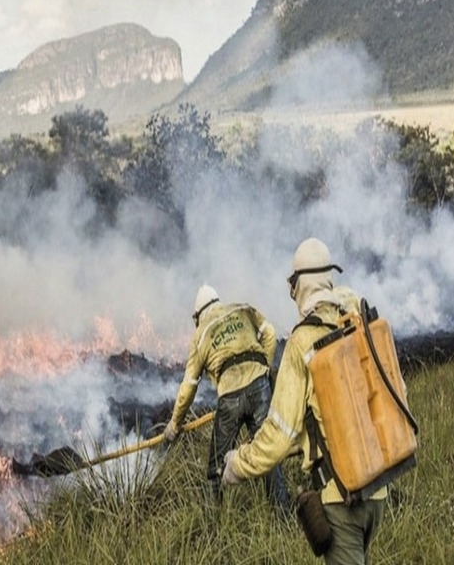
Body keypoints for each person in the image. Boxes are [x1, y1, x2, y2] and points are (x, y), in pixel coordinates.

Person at [222, 238, 386, 564]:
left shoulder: (302, 342)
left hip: (342, 499)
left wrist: (238, 465)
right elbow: (339, 413)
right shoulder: (354, 323)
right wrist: (305, 442)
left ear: (299, 286)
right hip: (377, 490)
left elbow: (278, 434)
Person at [164, 283, 290, 515]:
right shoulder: (242, 309)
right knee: (268, 453)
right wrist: (264, 367)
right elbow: (270, 333)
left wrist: (174, 424)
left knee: (216, 467)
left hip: (230, 397)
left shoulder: (200, 335)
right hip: (259, 387)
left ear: (198, 315)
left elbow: (189, 385)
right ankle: (283, 517)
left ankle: (211, 524)